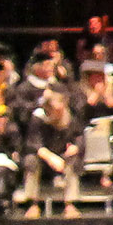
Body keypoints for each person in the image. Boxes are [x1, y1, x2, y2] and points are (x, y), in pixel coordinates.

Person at [25, 88, 84, 217]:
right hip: (43, 157)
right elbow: (33, 144)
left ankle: (69, 204)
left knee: (74, 160)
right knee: (30, 161)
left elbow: (79, 137)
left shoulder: (69, 119)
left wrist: (75, 147)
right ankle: (33, 204)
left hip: (63, 156)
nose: (59, 113)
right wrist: (50, 157)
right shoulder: (38, 118)